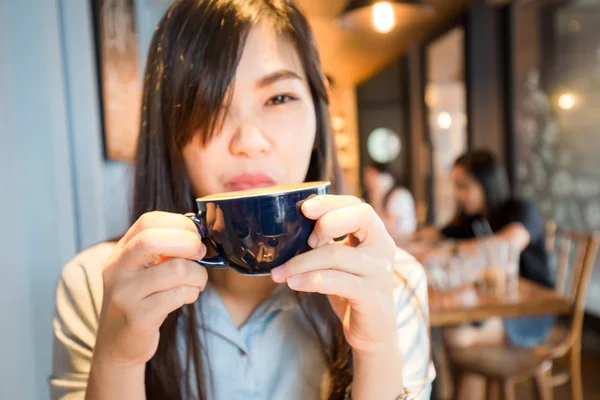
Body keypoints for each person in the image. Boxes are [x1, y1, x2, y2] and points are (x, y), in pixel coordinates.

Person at [49, 1, 434, 399]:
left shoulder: (387, 281)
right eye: (207, 104)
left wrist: (375, 349)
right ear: (170, 134)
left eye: (279, 98)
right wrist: (118, 361)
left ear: (318, 115)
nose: (249, 142)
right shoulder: (100, 286)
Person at [414, 149, 553, 399]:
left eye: (464, 186)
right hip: (495, 307)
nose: (460, 194)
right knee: (452, 336)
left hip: (531, 311)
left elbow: (510, 242)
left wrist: (452, 250)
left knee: (456, 337)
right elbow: (438, 234)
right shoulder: (474, 219)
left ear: (486, 183)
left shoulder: (520, 209)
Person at [363, 162, 417, 241]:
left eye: (371, 175)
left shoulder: (398, 195)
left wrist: (377, 199)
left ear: (384, 178)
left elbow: (391, 228)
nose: (366, 180)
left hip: (403, 241)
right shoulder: (381, 197)